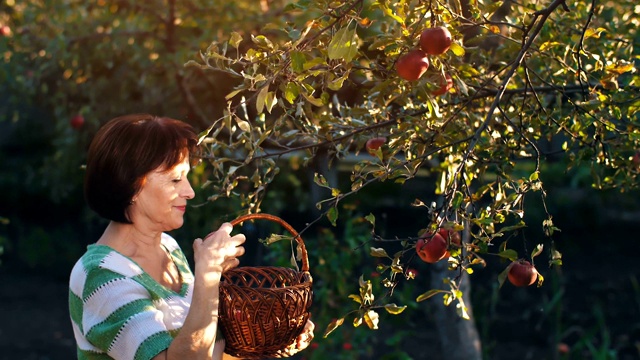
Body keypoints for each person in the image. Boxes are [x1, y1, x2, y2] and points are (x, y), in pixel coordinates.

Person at [68, 114, 314, 360]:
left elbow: (207, 351)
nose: (190, 191)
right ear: (131, 185)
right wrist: (208, 277)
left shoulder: (168, 247)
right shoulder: (101, 277)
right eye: (175, 179)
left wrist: (274, 339)